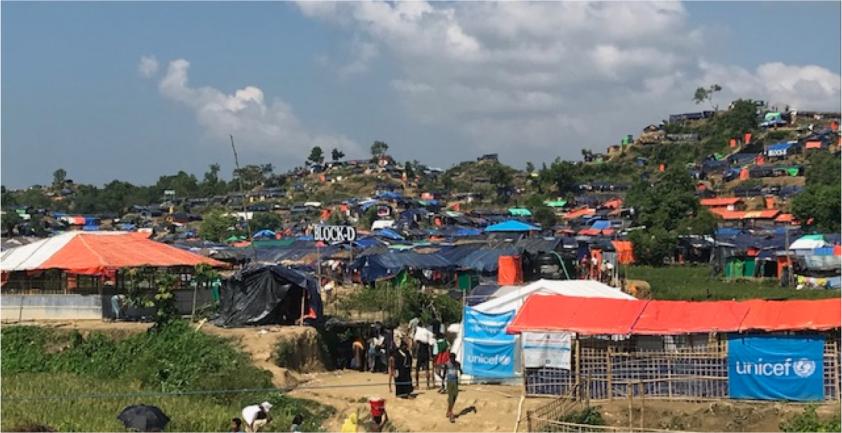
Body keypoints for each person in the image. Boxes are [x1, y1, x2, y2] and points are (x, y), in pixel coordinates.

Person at [444, 352, 463, 423]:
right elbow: (444, 373)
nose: (452, 359)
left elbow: (460, 370)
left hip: (455, 381)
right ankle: (451, 414)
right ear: (449, 358)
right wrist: (443, 382)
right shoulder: (447, 364)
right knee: (451, 396)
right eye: (451, 358)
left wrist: (461, 371)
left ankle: (448, 410)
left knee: (455, 395)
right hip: (449, 382)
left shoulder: (457, 363)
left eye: (453, 358)